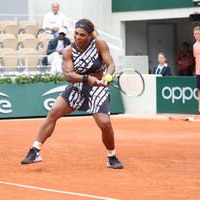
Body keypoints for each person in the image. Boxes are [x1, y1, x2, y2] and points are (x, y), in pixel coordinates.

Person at [21, 18, 123, 169]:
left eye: (82, 35)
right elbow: (68, 75)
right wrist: (88, 78)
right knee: (54, 112)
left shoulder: (99, 43)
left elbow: (110, 64)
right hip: (78, 86)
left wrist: (107, 77)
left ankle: (111, 157)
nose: (77, 37)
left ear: (89, 36)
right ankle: (35, 150)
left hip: (97, 88)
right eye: (76, 33)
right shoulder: (68, 51)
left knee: (105, 123)